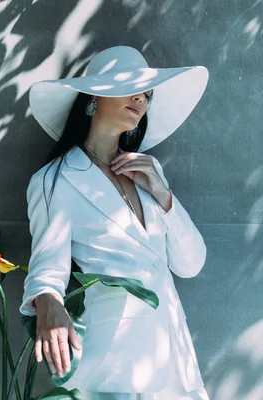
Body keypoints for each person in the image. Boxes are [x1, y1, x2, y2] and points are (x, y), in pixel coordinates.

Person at [19, 46, 210, 399]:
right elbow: (47, 267)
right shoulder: (56, 180)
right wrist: (47, 301)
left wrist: (164, 196)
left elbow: (191, 263)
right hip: (115, 364)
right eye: (132, 87)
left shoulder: (148, 171)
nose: (142, 97)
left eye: (147, 93)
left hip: (176, 362)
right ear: (94, 95)